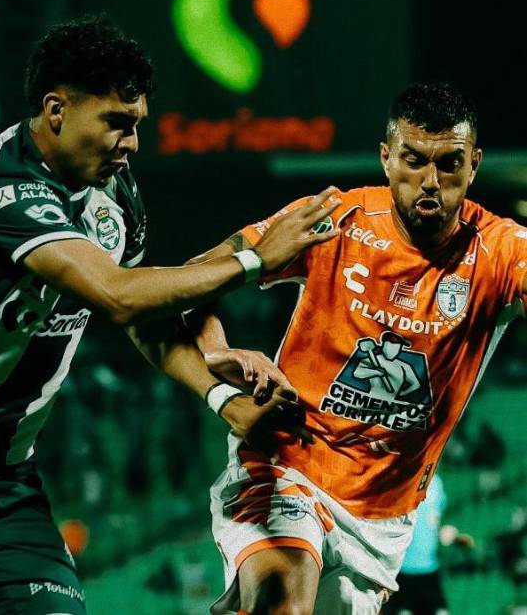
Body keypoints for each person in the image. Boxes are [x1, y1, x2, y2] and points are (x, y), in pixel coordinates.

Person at [0, 15, 338, 615]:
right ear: (56, 110)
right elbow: (116, 294)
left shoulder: (117, 198)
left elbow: (143, 317)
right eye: (117, 123)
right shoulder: (2, 188)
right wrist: (253, 260)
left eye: (137, 124)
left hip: (3, 484)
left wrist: (220, 395)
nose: (132, 143)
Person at [192, 80, 527, 614]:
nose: (431, 182)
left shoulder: (502, 252)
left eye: (449, 164)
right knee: (283, 599)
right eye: (413, 160)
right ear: (386, 158)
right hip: (286, 466)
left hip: (381, 519)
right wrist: (216, 350)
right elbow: (194, 277)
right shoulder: (334, 220)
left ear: (474, 166)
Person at [383, 474, 473, 615]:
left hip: (430, 569)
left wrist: (450, 533)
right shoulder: (397, 480)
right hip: (401, 570)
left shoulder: (436, 482)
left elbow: (438, 517)